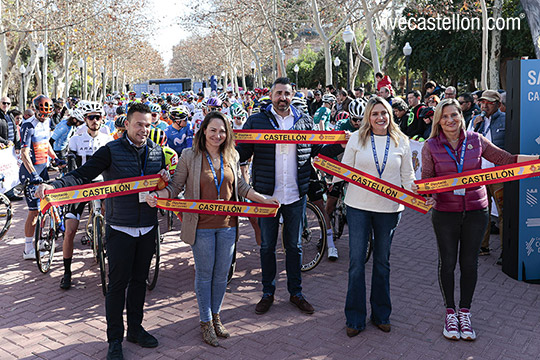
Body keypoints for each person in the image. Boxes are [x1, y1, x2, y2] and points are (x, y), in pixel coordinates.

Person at [36, 103, 168, 360]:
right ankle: (115, 339)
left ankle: (136, 329)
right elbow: (82, 175)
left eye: (148, 124)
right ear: (126, 124)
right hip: (120, 227)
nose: (144, 129)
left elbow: (163, 184)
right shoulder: (111, 150)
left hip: (148, 228)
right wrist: (55, 185)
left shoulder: (156, 152)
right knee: (117, 285)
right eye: (139, 124)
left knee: (140, 281)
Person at [147, 111, 277, 347]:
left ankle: (216, 316)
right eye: (213, 130)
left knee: (222, 275)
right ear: (204, 130)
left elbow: (242, 186)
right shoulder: (190, 155)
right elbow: (176, 186)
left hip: (227, 225)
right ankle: (205, 321)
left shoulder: (232, 155)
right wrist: (159, 196)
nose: (218, 135)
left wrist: (262, 199)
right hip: (202, 227)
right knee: (205, 274)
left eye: (222, 131)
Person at [418, 98, 539, 341]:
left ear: (460, 116)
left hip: (476, 211)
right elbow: (427, 181)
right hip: (445, 214)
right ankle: (450, 312)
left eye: (454, 115)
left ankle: (465, 311)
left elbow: (505, 159)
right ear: (438, 121)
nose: (450, 120)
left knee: (470, 264)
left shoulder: (476, 139)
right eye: (445, 116)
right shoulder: (430, 146)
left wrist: (536, 161)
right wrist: (427, 197)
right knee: (448, 262)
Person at [236, 77, 344, 316]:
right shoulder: (256, 121)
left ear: (292, 96)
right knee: (266, 247)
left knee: (294, 247)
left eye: (287, 93)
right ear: (271, 96)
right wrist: (222, 147)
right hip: (266, 196)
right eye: (278, 93)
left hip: (296, 194)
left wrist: (340, 143)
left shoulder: (304, 121)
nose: (282, 98)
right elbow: (243, 150)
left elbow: (317, 150)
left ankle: (296, 293)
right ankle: (268, 293)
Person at [342, 96, 415, 337]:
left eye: (384, 113)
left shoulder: (401, 141)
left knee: (382, 263)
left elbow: (408, 178)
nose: (380, 117)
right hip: (358, 207)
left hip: (389, 210)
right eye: (375, 114)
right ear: (368, 117)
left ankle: (381, 314)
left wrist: (421, 195)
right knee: (356, 263)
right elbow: (344, 172)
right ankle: (354, 317)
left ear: (390, 115)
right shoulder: (356, 138)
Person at [59, 102, 113, 289]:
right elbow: (71, 166)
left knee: (113, 221)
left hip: (102, 185)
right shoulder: (75, 139)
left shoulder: (108, 139)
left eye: (98, 117)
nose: (95, 120)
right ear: (85, 119)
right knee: (70, 230)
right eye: (91, 117)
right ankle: (67, 272)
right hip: (80, 187)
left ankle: (109, 251)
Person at [466, 90, 506, 260]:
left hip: (499, 173)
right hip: (480, 173)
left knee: (503, 213)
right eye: (482, 102)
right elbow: (467, 142)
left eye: (488, 103)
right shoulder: (477, 121)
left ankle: (506, 251)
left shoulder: (506, 119)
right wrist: (473, 125)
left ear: (497, 104)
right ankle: (483, 246)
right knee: (482, 212)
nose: (484, 106)